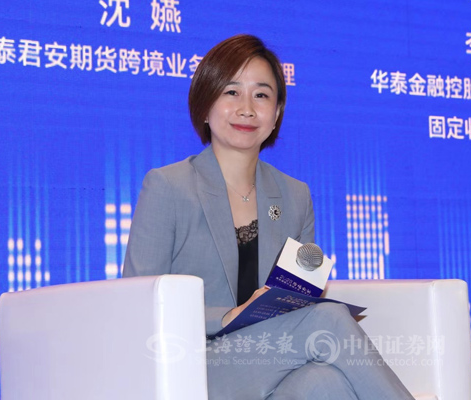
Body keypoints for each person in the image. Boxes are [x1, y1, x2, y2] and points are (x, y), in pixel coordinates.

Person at [123, 34, 413, 400]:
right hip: (191, 363)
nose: (246, 108)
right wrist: (226, 316)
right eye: (231, 92)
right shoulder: (169, 186)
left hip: (268, 360)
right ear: (205, 105)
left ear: (276, 114)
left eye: (261, 95)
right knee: (328, 319)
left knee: (326, 381)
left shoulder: (295, 196)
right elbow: (138, 304)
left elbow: (300, 296)